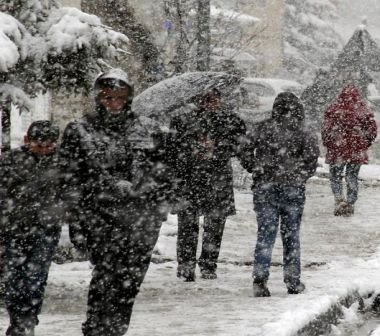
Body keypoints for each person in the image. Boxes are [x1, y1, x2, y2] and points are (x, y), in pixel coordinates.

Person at [59, 69, 172, 336]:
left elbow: (164, 171)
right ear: (98, 97)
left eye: (120, 97)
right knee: (106, 277)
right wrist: (77, 220)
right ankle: (96, 328)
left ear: (128, 97)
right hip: (100, 216)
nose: (114, 103)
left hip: (141, 218)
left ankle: (116, 330)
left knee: (130, 282)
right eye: (108, 97)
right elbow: (69, 178)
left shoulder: (148, 128)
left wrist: (157, 204)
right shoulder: (80, 130)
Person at [169, 87, 253, 282]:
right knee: (188, 224)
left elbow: (240, 147)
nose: (210, 103)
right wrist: (193, 151)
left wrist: (218, 150)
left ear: (220, 99)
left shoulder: (230, 121)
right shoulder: (182, 120)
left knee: (214, 224)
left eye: (213, 99)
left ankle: (207, 264)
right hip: (191, 177)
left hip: (216, 177)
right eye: (206, 99)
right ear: (199, 100)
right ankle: (187, 265)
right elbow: (172, 151)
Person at [249, 92, 319, 297]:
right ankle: (292, 279)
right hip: (292, 188)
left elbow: (244, 148)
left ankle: (260, 279)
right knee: (291, 236)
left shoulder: (262, 127)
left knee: (265, 234)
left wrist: (255, 167)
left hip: (265, 186)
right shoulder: (304, 131)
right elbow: (311, 159)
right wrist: (299, 175)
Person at [0, 121, 64, 336]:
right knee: (13, 279)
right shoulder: (9, 161)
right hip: (12, 230)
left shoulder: (61, 163)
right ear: (28, 140)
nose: (44, 150)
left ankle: (26, 321)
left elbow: (71, 194)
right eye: (39, 145)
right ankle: (20, 320)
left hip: (45, 229)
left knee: (35, 278)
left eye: (49, 145)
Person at [321, 84, 377, 216]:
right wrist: (364, 144)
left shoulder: (333, 110)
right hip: (356, 150)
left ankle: (339, 198)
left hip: (337, 149)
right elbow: (372, 131)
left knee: (335, 176)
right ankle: (350, 202)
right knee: (352, 176)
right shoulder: (364, 111)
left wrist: (329, 144)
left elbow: (326, 130)